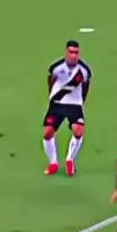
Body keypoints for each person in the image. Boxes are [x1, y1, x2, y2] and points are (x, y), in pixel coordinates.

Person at [43, 40, 92, 176]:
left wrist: (81, 101)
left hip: (74, 104)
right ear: (66, 52)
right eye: (71, 52)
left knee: (78, 131)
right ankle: (53, 163)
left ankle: (70, 159)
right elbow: (51, 80)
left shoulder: (84, 70)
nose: (73, 55)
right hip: (57, 103)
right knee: (47, 133)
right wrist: (52, 95)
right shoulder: (56, 67)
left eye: (76, 52)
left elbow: (86, 86)